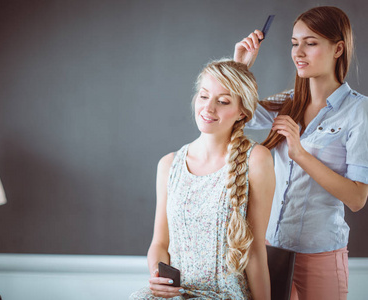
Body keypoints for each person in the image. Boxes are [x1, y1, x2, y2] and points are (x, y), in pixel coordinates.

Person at [234, 6, 368, 300]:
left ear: (338, 49)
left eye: (311, 43)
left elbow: (358, 198)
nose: (299, 52)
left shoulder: (359, 111)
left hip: (320, 256)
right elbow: (237, 112)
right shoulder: (288, 102)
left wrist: (300, 153)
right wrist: (241, 67)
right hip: (270, 249)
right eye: (294, 43)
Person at [130, 59, 275, 299]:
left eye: (223, 101)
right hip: (177, 294)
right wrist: (158, 275)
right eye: (204, 96)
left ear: (242, 112)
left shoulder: (256, 160)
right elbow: (159, 243)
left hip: (225, 295)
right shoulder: (169, 165)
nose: (209, 108)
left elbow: (255, 250)